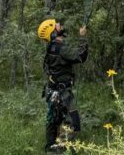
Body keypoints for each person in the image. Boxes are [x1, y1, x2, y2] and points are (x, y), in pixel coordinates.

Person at [37, 19, 88, 153]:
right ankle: (59, 150)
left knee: (53, 119)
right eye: (56, 25)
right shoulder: (60, 48)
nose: (59, 24)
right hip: (61, 92)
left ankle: (50, 148)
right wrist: (82, 37)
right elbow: (81, 57)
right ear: (53, 32)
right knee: (72, 121)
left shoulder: (52, 47)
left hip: (53, 90)